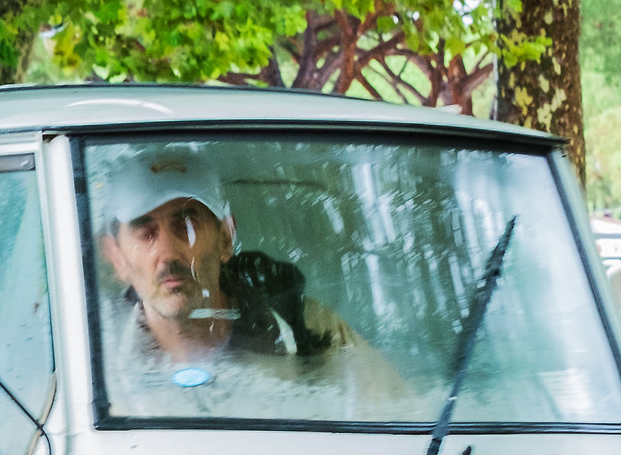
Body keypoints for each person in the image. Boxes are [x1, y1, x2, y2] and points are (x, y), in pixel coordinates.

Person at [93, 149, 411, 418]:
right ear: (116, 256)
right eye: (146, 234)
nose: (167, 254)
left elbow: (404, 421)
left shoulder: (311, 331)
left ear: (226, 239)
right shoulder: (95, 366)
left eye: (186, 226)